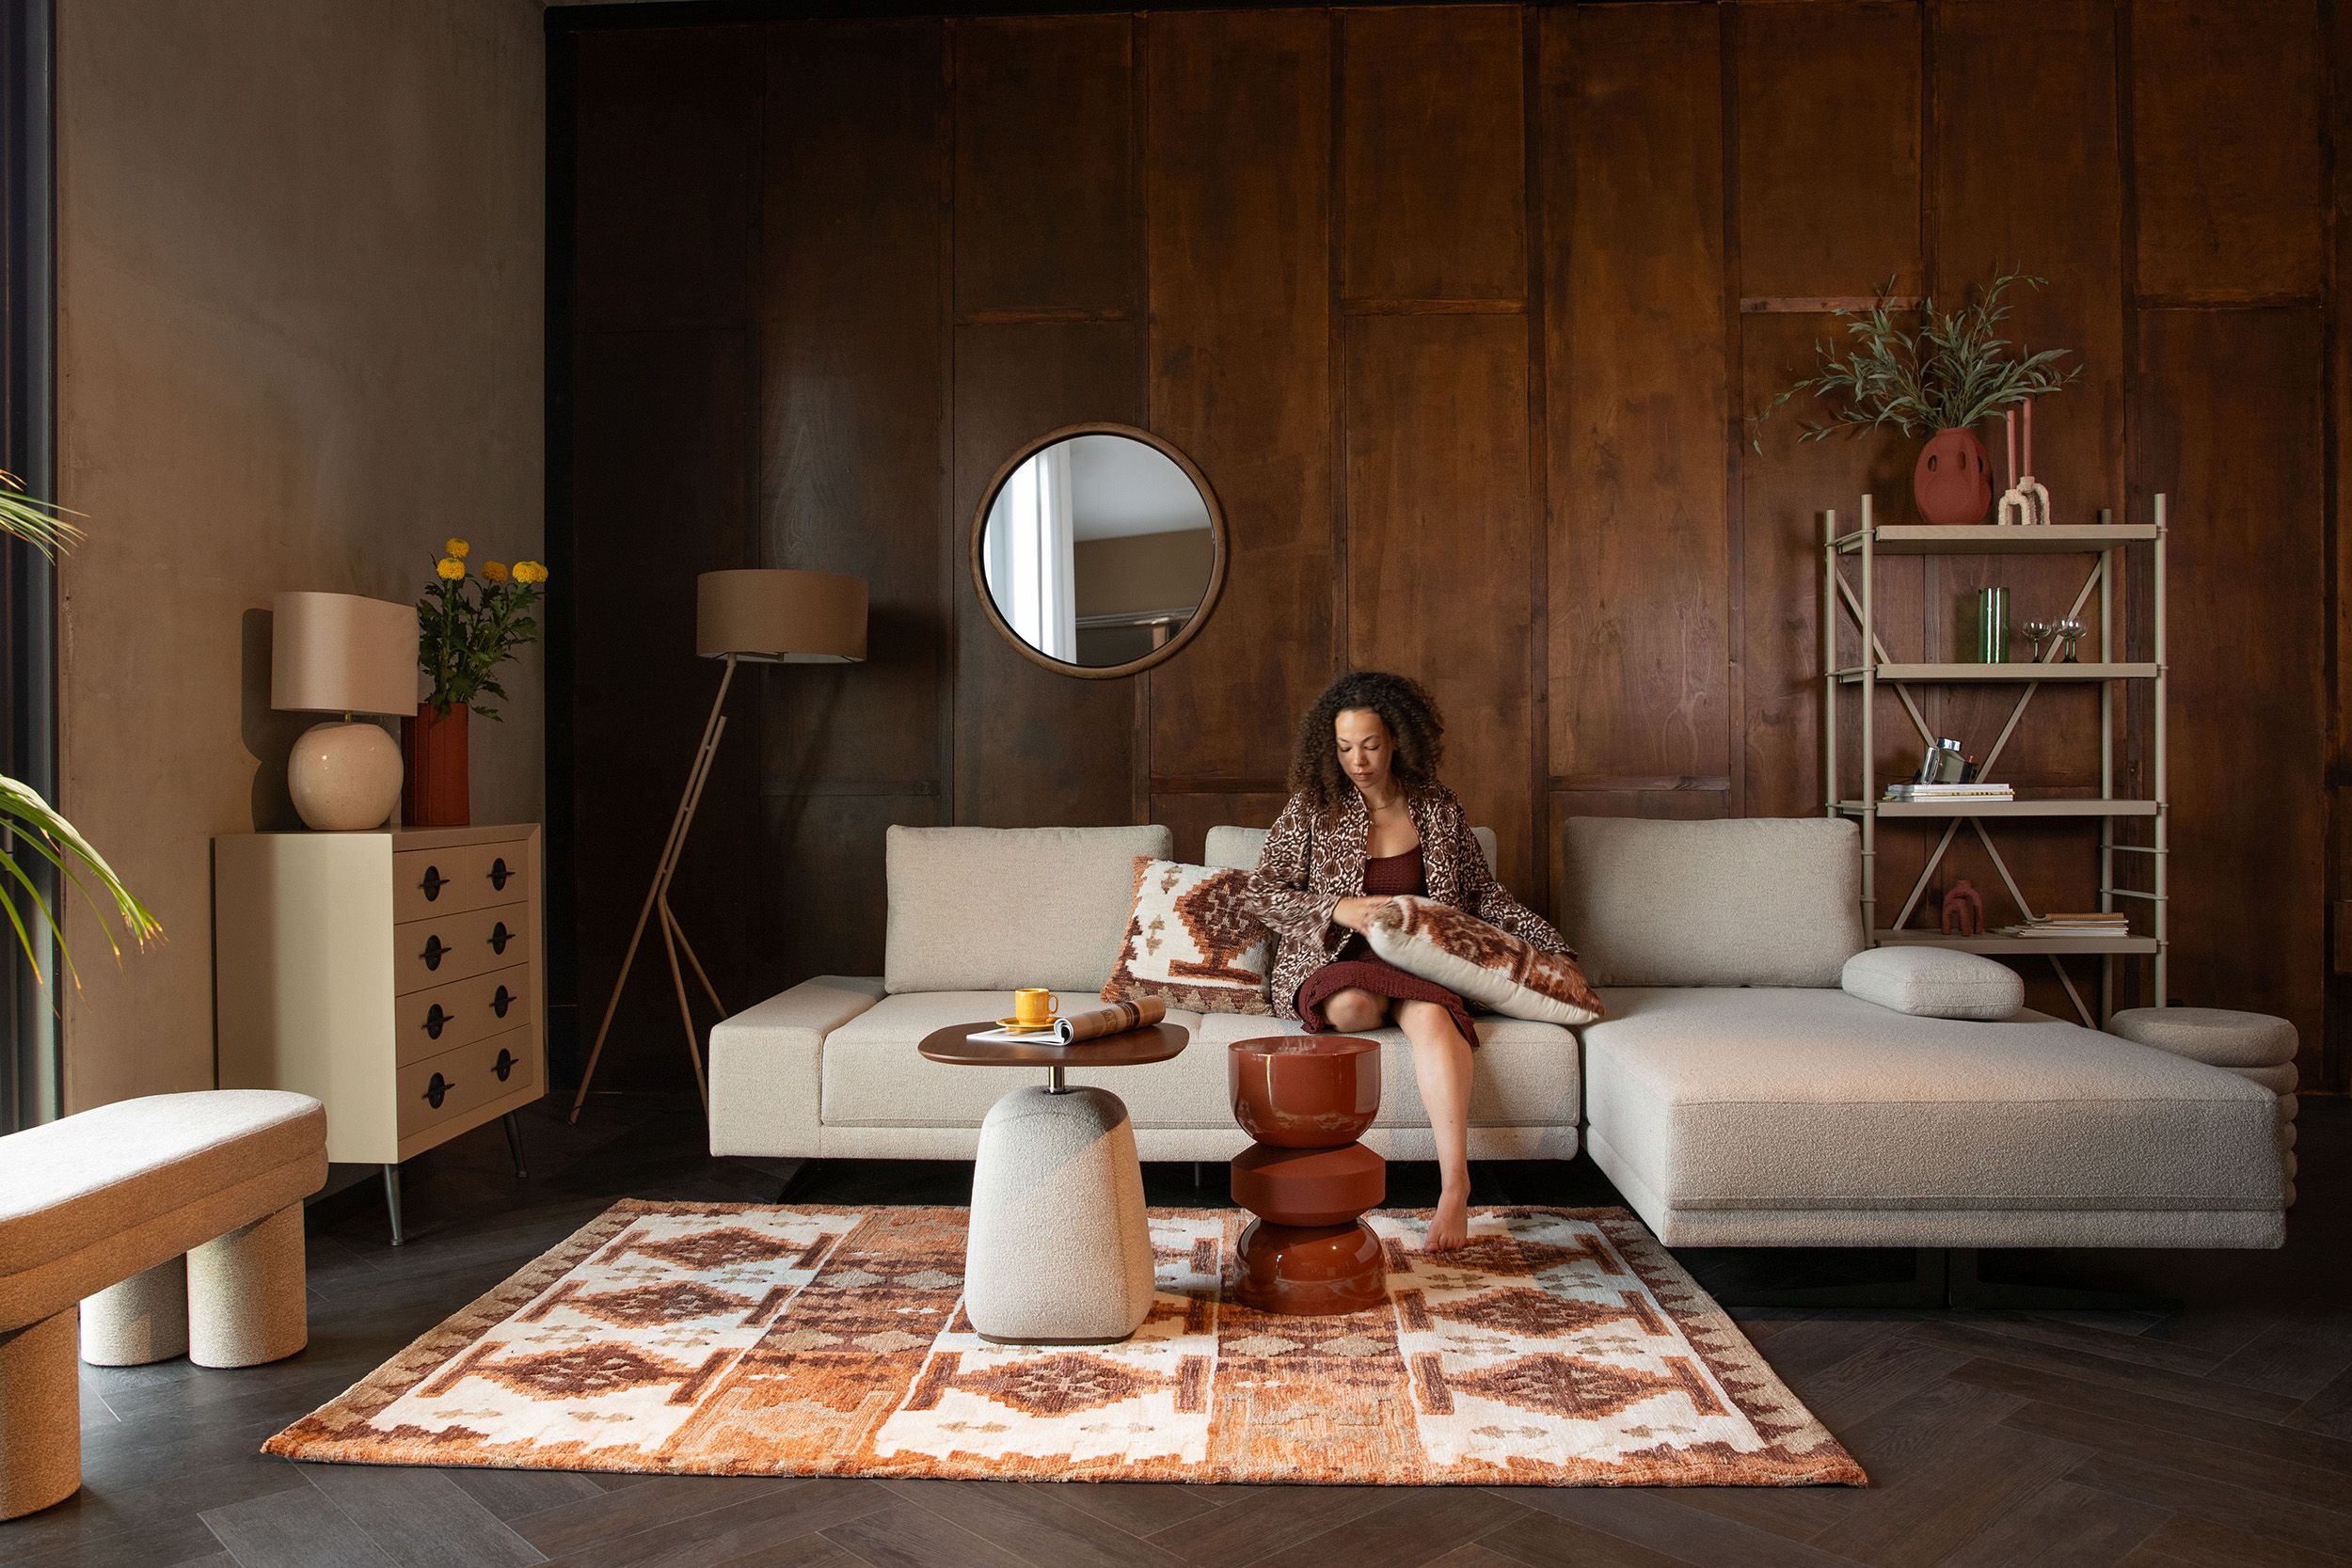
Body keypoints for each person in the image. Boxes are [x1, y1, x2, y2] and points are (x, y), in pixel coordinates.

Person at [1248, 670, 1572, 1252]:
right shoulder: (1312, 809)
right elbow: (1263, 894)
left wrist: (1552, 947)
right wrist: (1339, 907)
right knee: (1349, 1009)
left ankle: (1455, 1187)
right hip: (1340, 954)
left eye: (1370, 745)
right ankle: (1391, 999)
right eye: (1345, 747)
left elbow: (1482, 896)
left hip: (1424, 959)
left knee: (1432, 1018)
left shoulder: (1437, 807)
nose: (1358, 761)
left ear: (1396, 739)